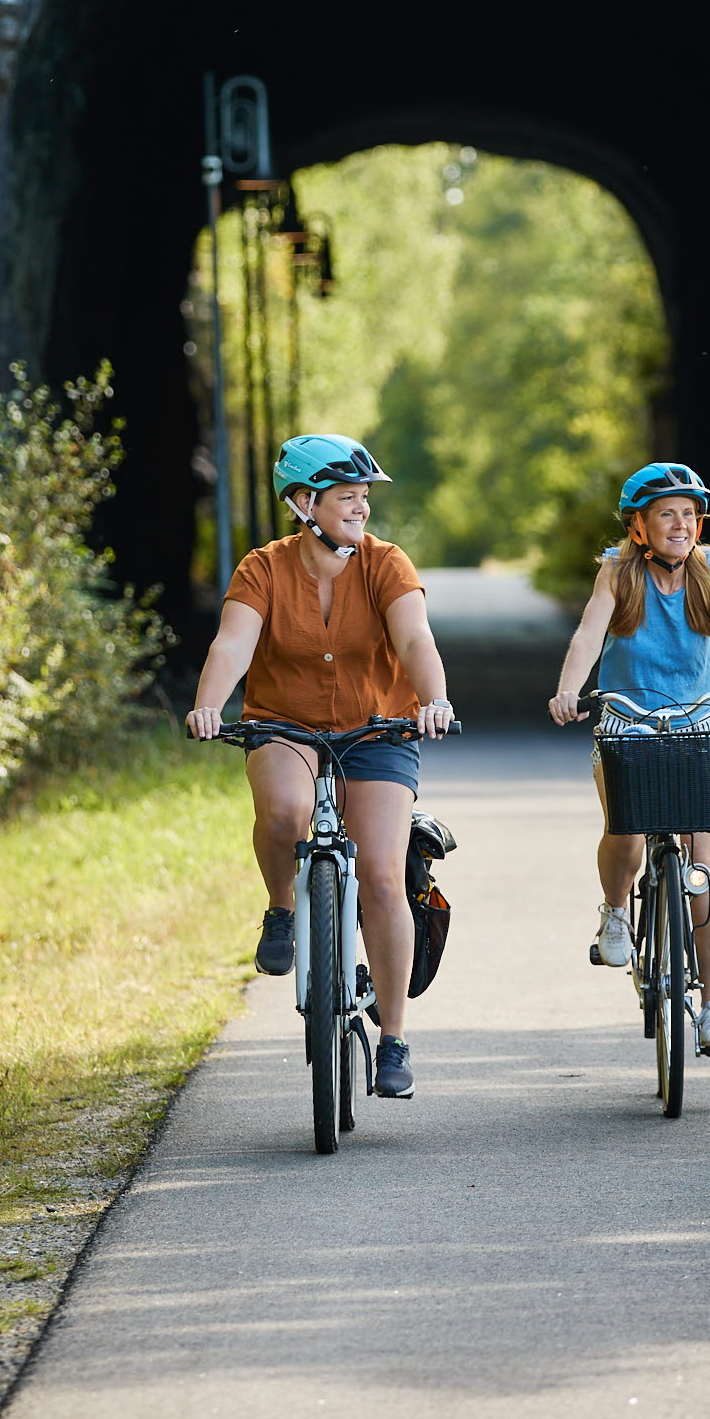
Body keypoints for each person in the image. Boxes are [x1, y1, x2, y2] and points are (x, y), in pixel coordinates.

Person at [186, 434, 454, 1100]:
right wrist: (208, 706)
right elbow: (234, 641)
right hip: (286, 722)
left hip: (379, 726)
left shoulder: (386, 564)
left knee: (385, 879)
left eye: (365, 497)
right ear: (303, 502)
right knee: (283, 811)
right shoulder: (263, 569)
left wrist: (436, 698)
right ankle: (282, 908)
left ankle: (392, 1037)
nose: (361, 509)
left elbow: (415, 636)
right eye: (346, 497)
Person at [548, 464, 710, 1054]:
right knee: (626, 837)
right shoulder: (618, 571)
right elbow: (588, 634)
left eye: (688, 514)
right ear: (639, 526)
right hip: (627, 716)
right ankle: (616, 912)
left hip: (698, 718)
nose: (681, 524)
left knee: (706, 868)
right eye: (666, 514)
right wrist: (570, 689)